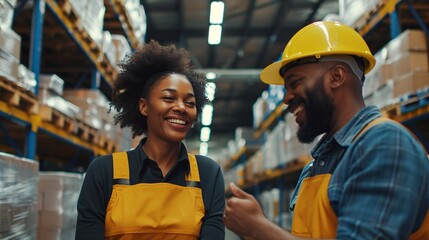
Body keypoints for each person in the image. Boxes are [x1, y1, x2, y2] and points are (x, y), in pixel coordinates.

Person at [223, 21, 429, 239]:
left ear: (336, 77)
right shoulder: (315, 166)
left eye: (295, 83)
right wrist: (261, 224)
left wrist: (260, 229)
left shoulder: (385, 144)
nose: (286, 99)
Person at [76, 40, 225, 240]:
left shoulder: (208, 174)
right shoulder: (105, 171)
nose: (181, 107)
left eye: (189, 102)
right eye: (169, 98)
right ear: (144, 107)